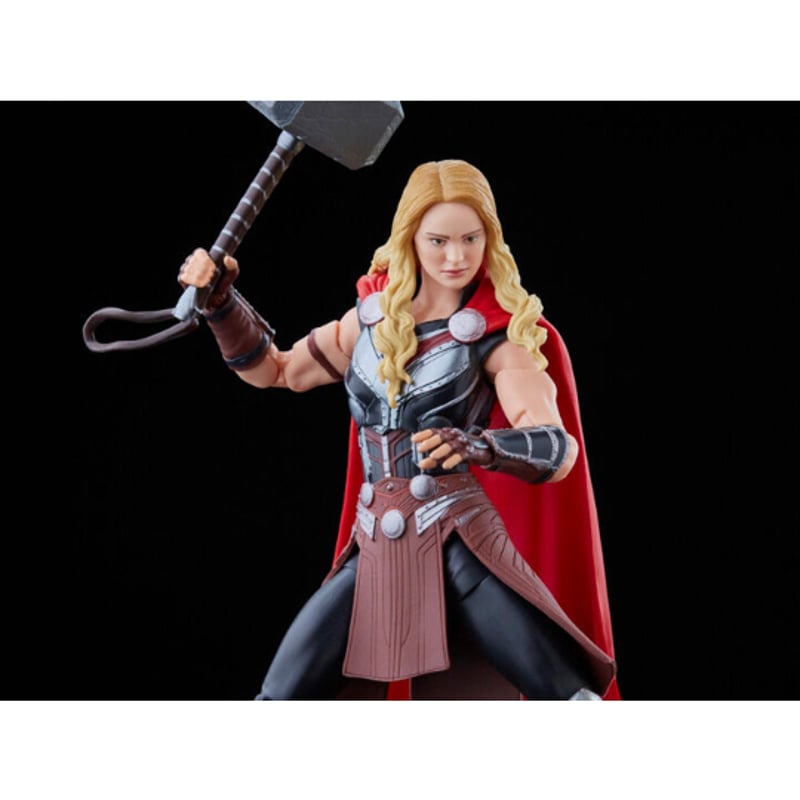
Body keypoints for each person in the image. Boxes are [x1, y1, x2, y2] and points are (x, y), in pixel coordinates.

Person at [178, 159, 619, 700]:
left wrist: (480, 445)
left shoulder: (494, 338)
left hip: (458, 538)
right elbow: (278, 371)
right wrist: (223, 307)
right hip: (375, 540)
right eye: (438, 241)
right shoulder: (368, 323)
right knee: (278, 698)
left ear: (489, 238)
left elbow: (555, 446)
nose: (456, 257)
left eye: (470, 239)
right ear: (411, 238)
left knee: (568, 698)